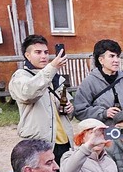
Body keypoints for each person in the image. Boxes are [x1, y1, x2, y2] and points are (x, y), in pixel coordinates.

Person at [9, 34, 74, 164]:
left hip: (65, 141)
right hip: (40, 143)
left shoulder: (56, 78)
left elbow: (68, 111)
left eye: (46, 52)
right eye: (38, 52)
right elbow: (29, 94)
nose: (44, 56)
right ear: (27, 55)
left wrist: (69, 109)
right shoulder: (21, 77)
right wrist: (52, 68)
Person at [74, 38, 123, 124]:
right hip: (101, 134)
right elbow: (80, 111)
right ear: (101, 60)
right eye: (111, 56)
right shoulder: (89, 83)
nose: (116, 60)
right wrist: (103, 113)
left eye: (118, 56)